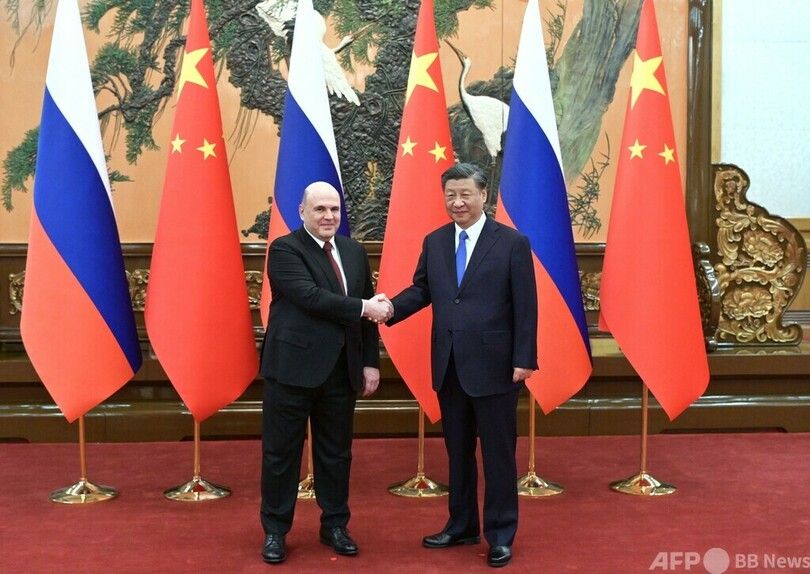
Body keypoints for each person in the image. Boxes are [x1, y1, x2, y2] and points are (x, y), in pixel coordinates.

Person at [386, 163, 538, 568]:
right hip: (449, 365)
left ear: (483, 195)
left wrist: (524, 358)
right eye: (450, 195)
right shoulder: (435, 241)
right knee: (458, 453)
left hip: (497, 367)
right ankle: (462, 524)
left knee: (498, 455)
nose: (457, 202)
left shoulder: (512, 243)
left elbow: (526, 305)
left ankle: (500, 534)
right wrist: (390, 309)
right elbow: (422, 290)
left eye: (465, 194)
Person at [259, 181, 392, 564]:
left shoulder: (353, 251)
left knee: (336, 454)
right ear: (303, 212)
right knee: (281, 455)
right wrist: (366, 307)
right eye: (320, 209)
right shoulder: (284, 249)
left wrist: (370, 362)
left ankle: (334, 525)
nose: (329, 216)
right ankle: (275, 531)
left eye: (334, 209)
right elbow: (310, 297)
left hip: (341, 371)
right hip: (291, 371)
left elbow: (366, 317)